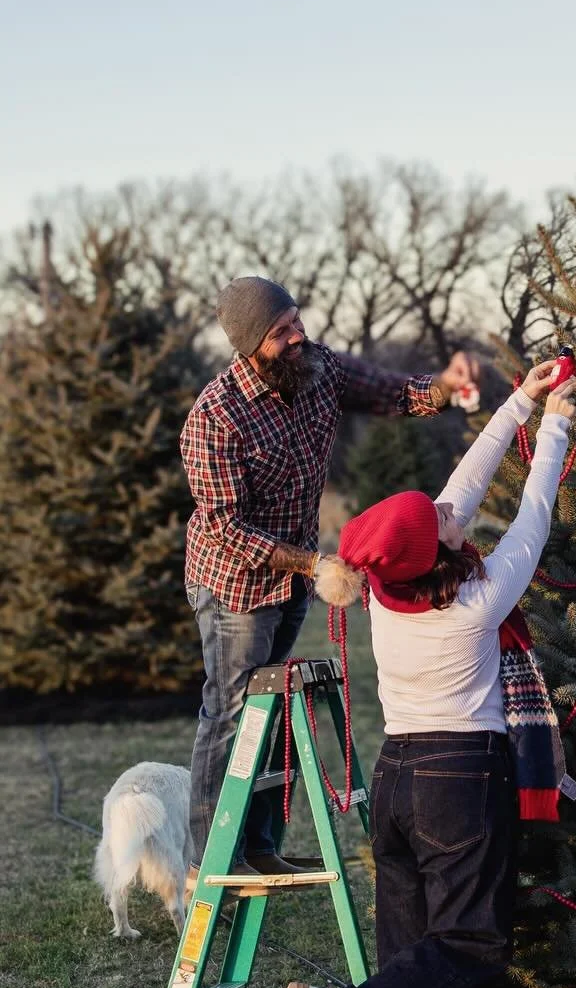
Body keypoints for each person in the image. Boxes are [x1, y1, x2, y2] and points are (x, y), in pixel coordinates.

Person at [268, 358, 575, 988]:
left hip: (398, 779)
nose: (449, 516)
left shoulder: (381, 584)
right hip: (459, 781)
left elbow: (459, 492)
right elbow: (534, 514)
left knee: (417, 960)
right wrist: (559, 422)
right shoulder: (475, 601)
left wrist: (522, 398)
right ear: (430, 546)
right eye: (437, 520)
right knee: (472, 947)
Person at [180, 276, 481, 877]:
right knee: (232, 707)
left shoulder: (317, 370)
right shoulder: (215, 418)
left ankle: (261, 846)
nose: (298, 337)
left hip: (294, 578)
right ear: (250, 345)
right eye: (280, 332)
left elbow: (392, 392)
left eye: (296, 322)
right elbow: (224, 530)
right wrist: (313, 563)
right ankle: (209, 858)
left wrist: (444, 387)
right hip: (235, 585)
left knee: (273, 707)